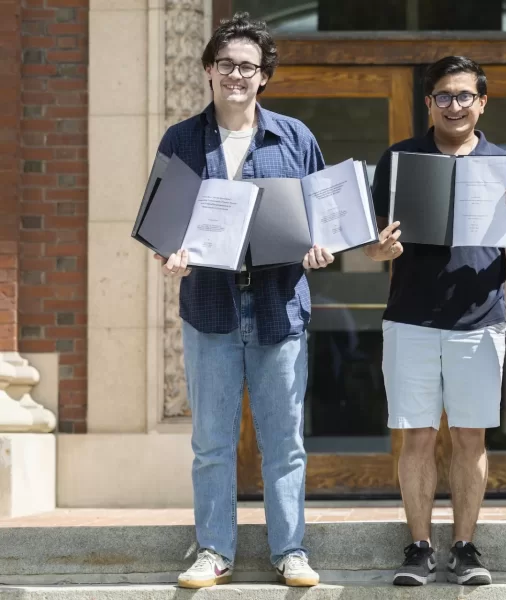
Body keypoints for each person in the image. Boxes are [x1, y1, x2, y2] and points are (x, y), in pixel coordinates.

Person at [153, 12, 334, 589]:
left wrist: (321, 249)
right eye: (226, 64)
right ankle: (212, 552)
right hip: (210, 306)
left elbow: (324, 219)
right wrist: (170, 252)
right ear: (209, 70)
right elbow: (164, 224)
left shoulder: (296, 136)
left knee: (286, 441)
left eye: (248, 67)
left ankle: (291, 552)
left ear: (264, 77)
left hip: (280, 306)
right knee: (211, 440)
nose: (237, 75)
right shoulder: (181, 139)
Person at [365, 55, 506, 587]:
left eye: (465, 96)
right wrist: (383, 248)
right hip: (411, 319)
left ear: (482, 102)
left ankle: (464, 547)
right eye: (444, 95)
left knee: (470, 439)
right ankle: (419, 547)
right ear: (429, 102)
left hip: (479, 319)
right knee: (416, 438)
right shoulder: (399, 160)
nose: (455, 105)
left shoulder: (505, 165)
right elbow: (371, 249)